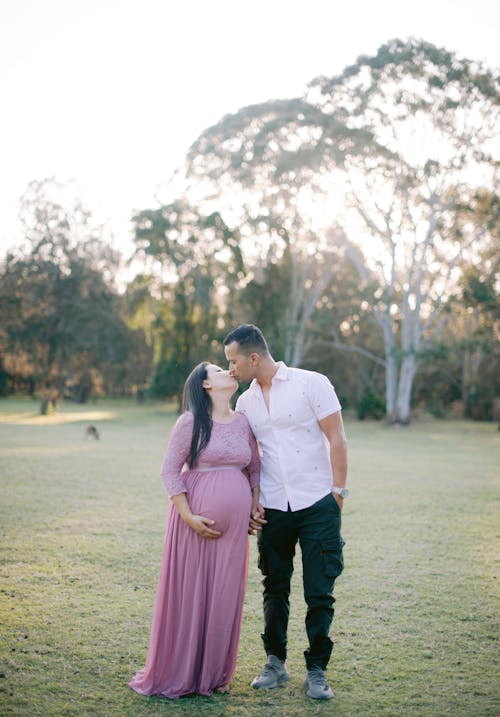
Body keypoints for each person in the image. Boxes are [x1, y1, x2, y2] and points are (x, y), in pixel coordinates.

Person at [223, 324, 348, 701]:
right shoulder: (245, 403)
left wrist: (337, 495)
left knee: (319, 591)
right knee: (274, 587)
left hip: (318, 505)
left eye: (233, 361)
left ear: (254, 357)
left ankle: (317, 671)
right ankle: (275, 663)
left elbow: (337, 438)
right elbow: (247, 458)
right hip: (274, 508)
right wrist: (251, 498)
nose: (230, 369)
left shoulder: (312, 384)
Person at [128, 362, 260, 698]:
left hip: (233, 533)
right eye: (218, 369)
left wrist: (254, 503)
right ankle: (182, 670)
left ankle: (212, 673)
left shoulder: (244, 422)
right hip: (193, 523)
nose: (228, 371)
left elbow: (255, 469)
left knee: (224, 596)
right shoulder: (190, 422)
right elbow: (170, 471)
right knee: (192, 593)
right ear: (205, 385)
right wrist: (188, 516)